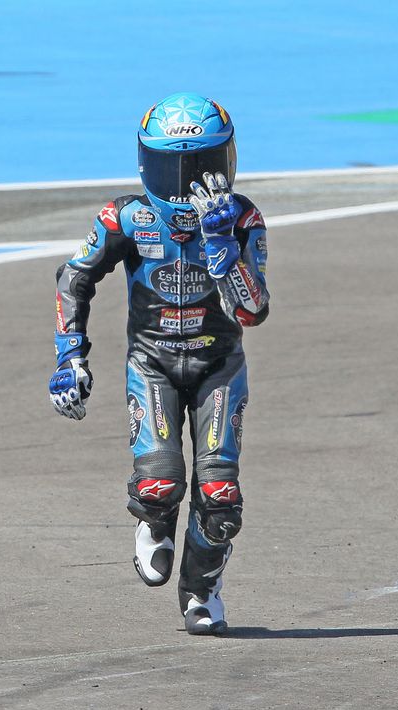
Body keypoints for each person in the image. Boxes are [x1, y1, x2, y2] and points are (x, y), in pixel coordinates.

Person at [49, 91, 270, 636]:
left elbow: (253, 310)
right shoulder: (125, 216)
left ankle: (202, 591)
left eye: (199, 166)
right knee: (160, 484)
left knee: (221, 496)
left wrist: (223, 252)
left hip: (219, 365)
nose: (186, 182)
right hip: (153, 363)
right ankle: (155, 520)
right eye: (170, 167)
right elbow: (74, 277)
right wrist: (69, 356)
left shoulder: (241, 219)